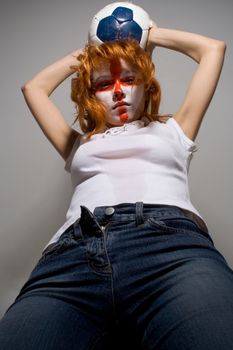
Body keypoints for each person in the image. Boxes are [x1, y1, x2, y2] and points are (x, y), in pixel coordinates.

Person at [0, 14, 232, 350]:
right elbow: (33, 88)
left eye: (129, 78)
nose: (119, 92)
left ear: (146, 84)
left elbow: (213, 49)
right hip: (72, 255)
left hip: (170, 247)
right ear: (90, 95)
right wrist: (93, 52)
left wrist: (145, 38)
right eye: (104, 84)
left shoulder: (175, 129)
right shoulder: (77, 143)